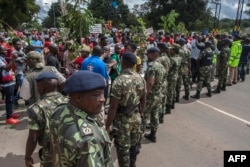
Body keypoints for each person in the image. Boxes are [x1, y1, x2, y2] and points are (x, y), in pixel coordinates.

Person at [50, 71, 114, 167]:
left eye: (102, 93)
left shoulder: (60, 110)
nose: (103, 99)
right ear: (78, 98)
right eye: (97, 94)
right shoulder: (88, 139)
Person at [105, 52, 146, 167]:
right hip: (136, 117)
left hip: (122, 120)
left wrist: (107, 125)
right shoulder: (140, 78)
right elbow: (143, 100)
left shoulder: (119, 81)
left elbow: (113, 107)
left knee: (123, 149)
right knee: (134, 146)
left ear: (123, 62)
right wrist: (141, 114)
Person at [25, 72, 68, 167]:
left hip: (50, 153)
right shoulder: (69, 101)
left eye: (37, 87)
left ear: (42, 88)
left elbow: (33, 138)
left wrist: (27, 157)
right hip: (71, 149)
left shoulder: (36, 108)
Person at [143, 47, 164, 143]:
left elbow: (150, 83)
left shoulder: (152, 67)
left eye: (147, 54)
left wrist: (144, 96)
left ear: (152, 54)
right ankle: (153, 134)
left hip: (151, 96)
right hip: (158, 94)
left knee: (144, 115)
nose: (147, 56)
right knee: (155, 115)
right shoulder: (161, 66)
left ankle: (138, 141)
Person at [0, 46, 20, 124]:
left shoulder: (3, 57)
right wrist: (13, 59)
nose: (6, 50)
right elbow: (7, 68)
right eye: (4, 49)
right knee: (9, 99)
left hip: (9, 80)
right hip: (5, 83)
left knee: (11, 98)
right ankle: (9, 118)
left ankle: (11, 113)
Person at [156, 42, 170, 123]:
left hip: (160, 82)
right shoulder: (167, 58)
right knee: (163, 101)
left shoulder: (160, 59)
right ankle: (161, 118)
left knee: (158, 102)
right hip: (165, 81)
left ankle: (156, 120)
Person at [166, 44, 181, 113]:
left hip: (170, 77)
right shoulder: (179, 58)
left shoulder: (172, 59)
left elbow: (168, 69)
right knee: (173, 90)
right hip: (176, 76)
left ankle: (168, 107)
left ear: (174, 51)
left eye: (171, 50)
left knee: (169, 92)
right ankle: (173, 104)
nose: (170, 50)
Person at [12, 38, 27, 106]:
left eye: (20, 44)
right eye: (18, 44)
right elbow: (21, 61)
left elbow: (26, 58)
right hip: (19, 72)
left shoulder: (21, 51)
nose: (20, 45)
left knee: (20, 87)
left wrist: (23, 58)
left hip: (23, 72)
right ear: (14, 45)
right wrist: (24, 58)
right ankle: (14, 100)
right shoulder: (14, 52)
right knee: (24, 88)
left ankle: (14, 100)